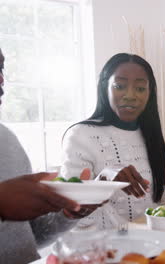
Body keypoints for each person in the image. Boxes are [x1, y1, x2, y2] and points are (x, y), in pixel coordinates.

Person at [60, 53, 165, 229]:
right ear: (104, 87)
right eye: (119, 86)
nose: (130, 95)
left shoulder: (148, 133)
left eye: (140, 88)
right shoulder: (80, 135)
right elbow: (68, 210)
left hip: (147, 242)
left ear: (150, 93)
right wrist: (105, 179)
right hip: (99, 249)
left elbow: (150, 197)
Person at [0, 48, 96, 263]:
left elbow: (33, 236)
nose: (1, 79)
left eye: (1, 68)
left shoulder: (7, 141)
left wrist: (69, 214)